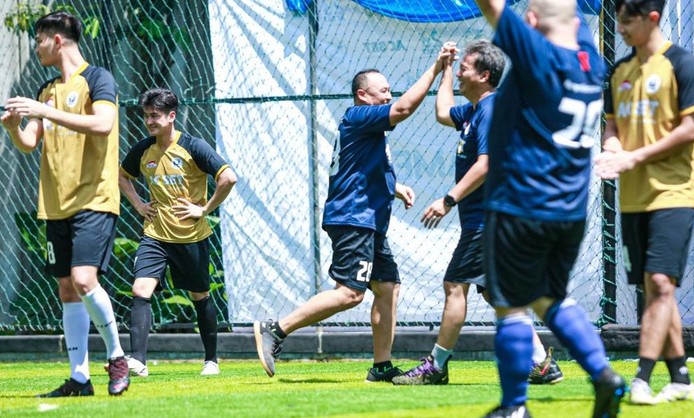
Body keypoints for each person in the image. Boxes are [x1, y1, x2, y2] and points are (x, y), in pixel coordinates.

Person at [466, 0, 626, 417]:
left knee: (510, 306)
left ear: (532, 22)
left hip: (521, 203)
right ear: (575, 24)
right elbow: (567, 12)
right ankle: (604, 376)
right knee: (550, 297)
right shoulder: (591, 62)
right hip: (568, 211)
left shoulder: (537, 55)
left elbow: (491, 0)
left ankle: (514, 407)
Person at [254, 46, 454, 382]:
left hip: (369, 221)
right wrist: (435, 70)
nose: (389, 96)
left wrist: (394, 187)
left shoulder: (368, 129)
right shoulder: (359, 116)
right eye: (383, 91)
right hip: (353, 218)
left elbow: (357, 168)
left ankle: (381, 367)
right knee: (349, 293)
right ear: (363, 95)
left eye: (390, 90)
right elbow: (403, 109)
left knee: (388, 288)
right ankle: (276, 329)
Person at [392, 39, 563, 386]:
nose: (459, 74)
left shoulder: (491, 109)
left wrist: (448, 200)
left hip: (488, 220)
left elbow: (487, 164)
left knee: (455, 285)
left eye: (464, 68)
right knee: (497, 295)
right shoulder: (473, 111)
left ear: (484, 75)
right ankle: (541, 363)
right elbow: (443, 112)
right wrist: (443, 68)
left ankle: (436, 366)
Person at [1, 11, 129, 396]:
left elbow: (103, 124)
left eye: (39, 40)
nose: (36, 48)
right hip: (56, 204)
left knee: (84, 280)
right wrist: (13, 127)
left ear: (57, 40)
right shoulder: (46, 89)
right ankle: (79, 378)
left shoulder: (98, 79)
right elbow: (30, 142)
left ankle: (117, 357)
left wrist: (44, 111)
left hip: (94, 197)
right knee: (68, 290)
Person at [595, 0, 694, 406]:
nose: (620, 28)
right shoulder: (619, 72)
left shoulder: (682, 63)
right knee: (656, 288)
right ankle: (681, 378)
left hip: (675, 191)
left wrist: (634, 156)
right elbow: (612, 127)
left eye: (627, 20)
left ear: (652, 18)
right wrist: (611, 150)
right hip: (633, 197)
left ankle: (641, 378)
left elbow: (693, 128)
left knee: (659, 281)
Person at [118, 88, 238, 377]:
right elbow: (121, 176)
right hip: (155, 235)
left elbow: (228, 178)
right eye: (146, 116)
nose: (149, 121)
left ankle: (211, 360)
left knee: (200, 295)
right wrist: (138, 205)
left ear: (171, 116)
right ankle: (139, 362)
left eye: (155, 116)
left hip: (190, 237)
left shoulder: (194, 147)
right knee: (140, 290)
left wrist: (204, 209)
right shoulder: (143, 149)